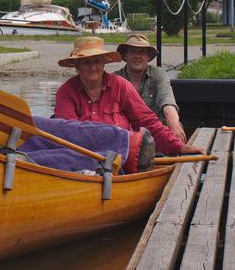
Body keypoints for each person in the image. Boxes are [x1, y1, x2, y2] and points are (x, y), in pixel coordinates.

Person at [53, 36, 205, 173]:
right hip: (81, 163)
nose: (93, 67)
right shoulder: (65, 92)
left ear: (104, 63)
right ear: (76, 65)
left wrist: (180, 147)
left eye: (97, 61)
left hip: (122, 162)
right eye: (86, 62)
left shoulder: (121, 85)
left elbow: (149, 122)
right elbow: (67, 133)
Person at [114, 34, 187, 142]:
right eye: (133, 52)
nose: (137, 56)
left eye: (142, 52)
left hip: (157, 132)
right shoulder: (114, 79)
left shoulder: (158, 74)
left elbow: (167, 101)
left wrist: (174, 123)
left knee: (174, 127)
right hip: (127, 136)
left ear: (148, 57)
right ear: (125, 56)